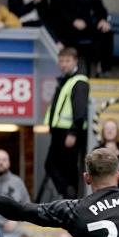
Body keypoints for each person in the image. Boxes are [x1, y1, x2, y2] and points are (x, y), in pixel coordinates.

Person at [50, 0, 113, 76]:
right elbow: (56, 12)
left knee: (106, 32)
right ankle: (71, 71)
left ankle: (103, 69)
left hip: (86, 27)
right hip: (66, 29)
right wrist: (73, 21)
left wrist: (103, 19)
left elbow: (100, 8)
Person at [42, 47, 89, 200]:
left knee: (64, 166)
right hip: (60, 131)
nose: (63, 64)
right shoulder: (67, 79)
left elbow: (79, 109)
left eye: (67, 61)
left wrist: (73, 132)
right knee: (56, 165)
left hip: (68, 132)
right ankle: (68, 194)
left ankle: (70, 195)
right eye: (61, 61)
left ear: (75, 61)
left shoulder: (79, 81)